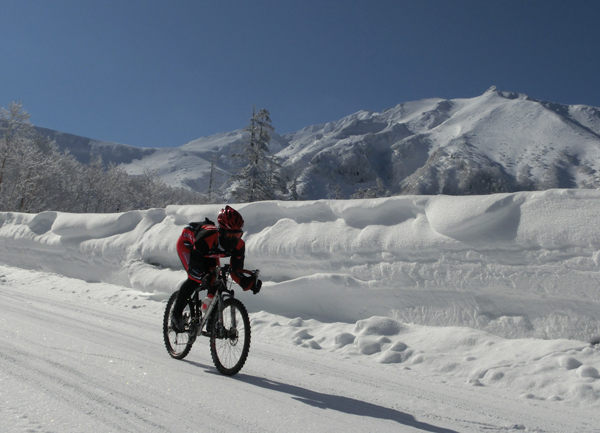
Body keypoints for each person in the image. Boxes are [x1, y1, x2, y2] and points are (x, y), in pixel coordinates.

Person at [170, 205, 261, 333]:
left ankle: (212, 322)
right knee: (195, 278)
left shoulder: (239, 245)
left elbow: (236, 271)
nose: (234, 240)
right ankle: (176, 314)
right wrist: (202, 277)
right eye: (230, 235)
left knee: (216, 279)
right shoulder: (206, 238)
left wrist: (247, 283)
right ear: (221, 232)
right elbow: (195, 266)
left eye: (237, 235)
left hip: (209, 252)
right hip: (188, 245)